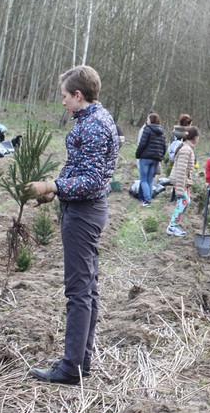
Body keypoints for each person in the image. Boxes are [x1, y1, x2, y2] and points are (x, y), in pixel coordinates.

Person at [26, 65, 119, 386]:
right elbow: (78, 167)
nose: (63, 102)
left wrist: (52, 185)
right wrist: (58, 188)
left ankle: (70, 368)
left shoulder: (93, 127)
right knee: (88, 289)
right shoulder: (95, 119)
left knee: (78, 291)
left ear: (78, 95)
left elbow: (92, 181)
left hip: (83, 213)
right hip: (85, 209)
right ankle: (82, 360)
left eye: (65, 96)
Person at [167, 126, 199, 236]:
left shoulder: (188, 148)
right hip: (181, 181)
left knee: (186, 202)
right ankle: (172, 226)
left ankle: (175, 223)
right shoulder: (186, 150)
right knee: (183, 202)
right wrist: (180, 189)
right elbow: (181, 170)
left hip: (184, 182)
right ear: (195, 138)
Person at [135, 112, 166, 207]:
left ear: (151, 120)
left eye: (148, 119)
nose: (147, 120)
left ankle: (147, 201)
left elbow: (142, 143)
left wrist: (138, 154)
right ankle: (149, 199)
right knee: (149, 180)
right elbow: (164, 146)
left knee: (143, 179)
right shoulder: (162, 131)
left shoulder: (147, 129)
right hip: (156, 159)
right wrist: (161, 156)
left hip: (145, 158)